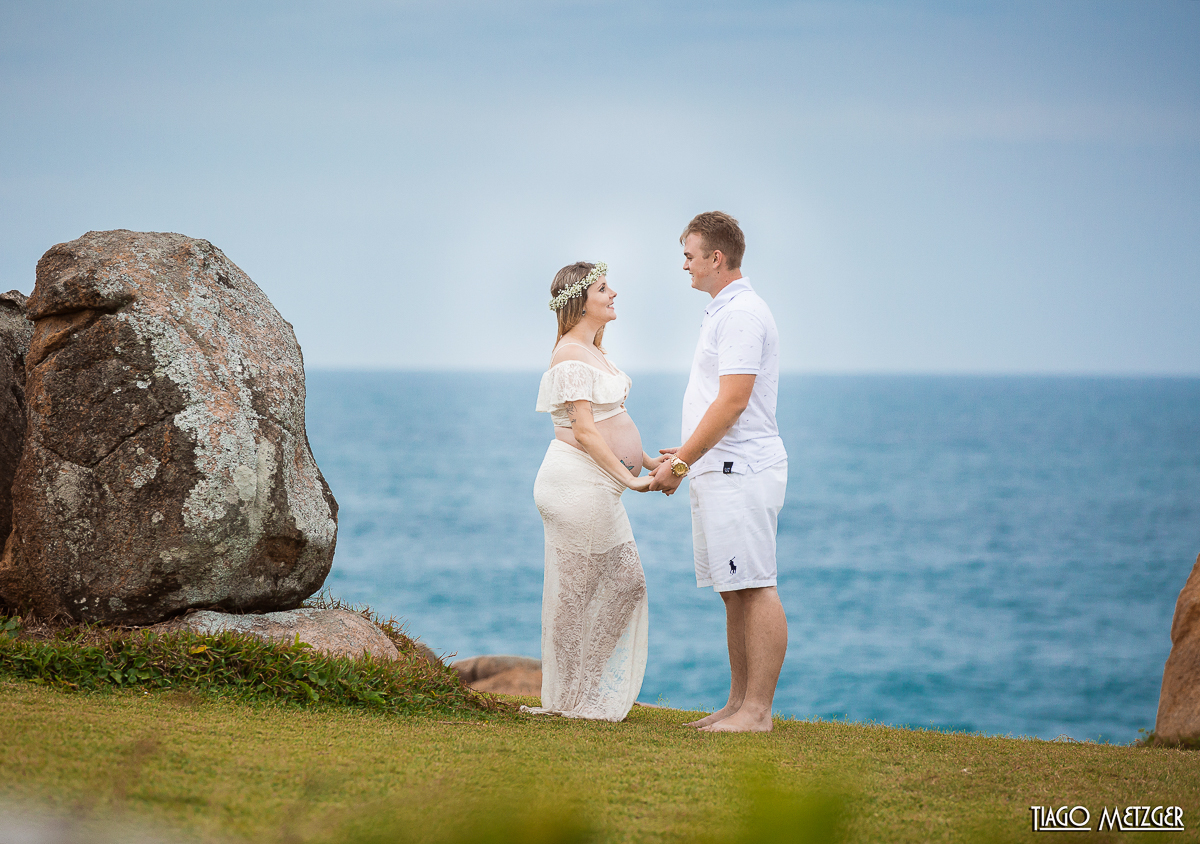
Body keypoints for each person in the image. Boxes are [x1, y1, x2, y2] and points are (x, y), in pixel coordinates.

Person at [649, 211, 789, 733]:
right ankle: (737, 705)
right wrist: (688, 451)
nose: (684, 265)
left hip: (742, 470)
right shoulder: (723, 311)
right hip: (721, 468)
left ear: (716, 257)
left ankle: (758, 711)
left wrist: (683, 461)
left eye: (689, 256)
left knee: (756, 585)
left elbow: (733, 401)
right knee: (734, 590)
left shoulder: (742, 314)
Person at [524, 261, 666, 721]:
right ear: (581, 302)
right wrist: (631, 479)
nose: (613, 294)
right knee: (583, 594)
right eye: (603, 288)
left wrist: (647, 460)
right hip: (576, 484)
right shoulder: (569, 355)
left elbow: (610, 418)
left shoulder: (594, 350)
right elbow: (584, 431)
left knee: (613, 586)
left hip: (598, 485)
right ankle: (571, 699)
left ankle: (580, 692)